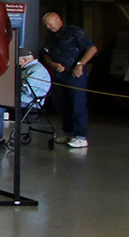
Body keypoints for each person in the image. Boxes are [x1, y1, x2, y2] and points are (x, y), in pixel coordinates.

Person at [40, 13, 97, 148]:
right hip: (60, 75)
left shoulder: (74, 32)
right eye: (46, 25)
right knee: (62, 104)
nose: (48, 27)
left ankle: (81, 136)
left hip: (75, 75)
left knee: (77, 104)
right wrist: (53, 65)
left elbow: (92, 49)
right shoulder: (50, 37)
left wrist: (80, 65)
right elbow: (45, 54)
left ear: (58, 20)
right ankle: (69, 133)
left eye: (50, 23)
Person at [0, 49, 51, 144]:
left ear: (23, 60)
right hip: (20, 97)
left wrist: (9, 88)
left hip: (30, 101)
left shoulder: (36, 70)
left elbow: (27, 90)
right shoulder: (29, 68)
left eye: (17, 60)